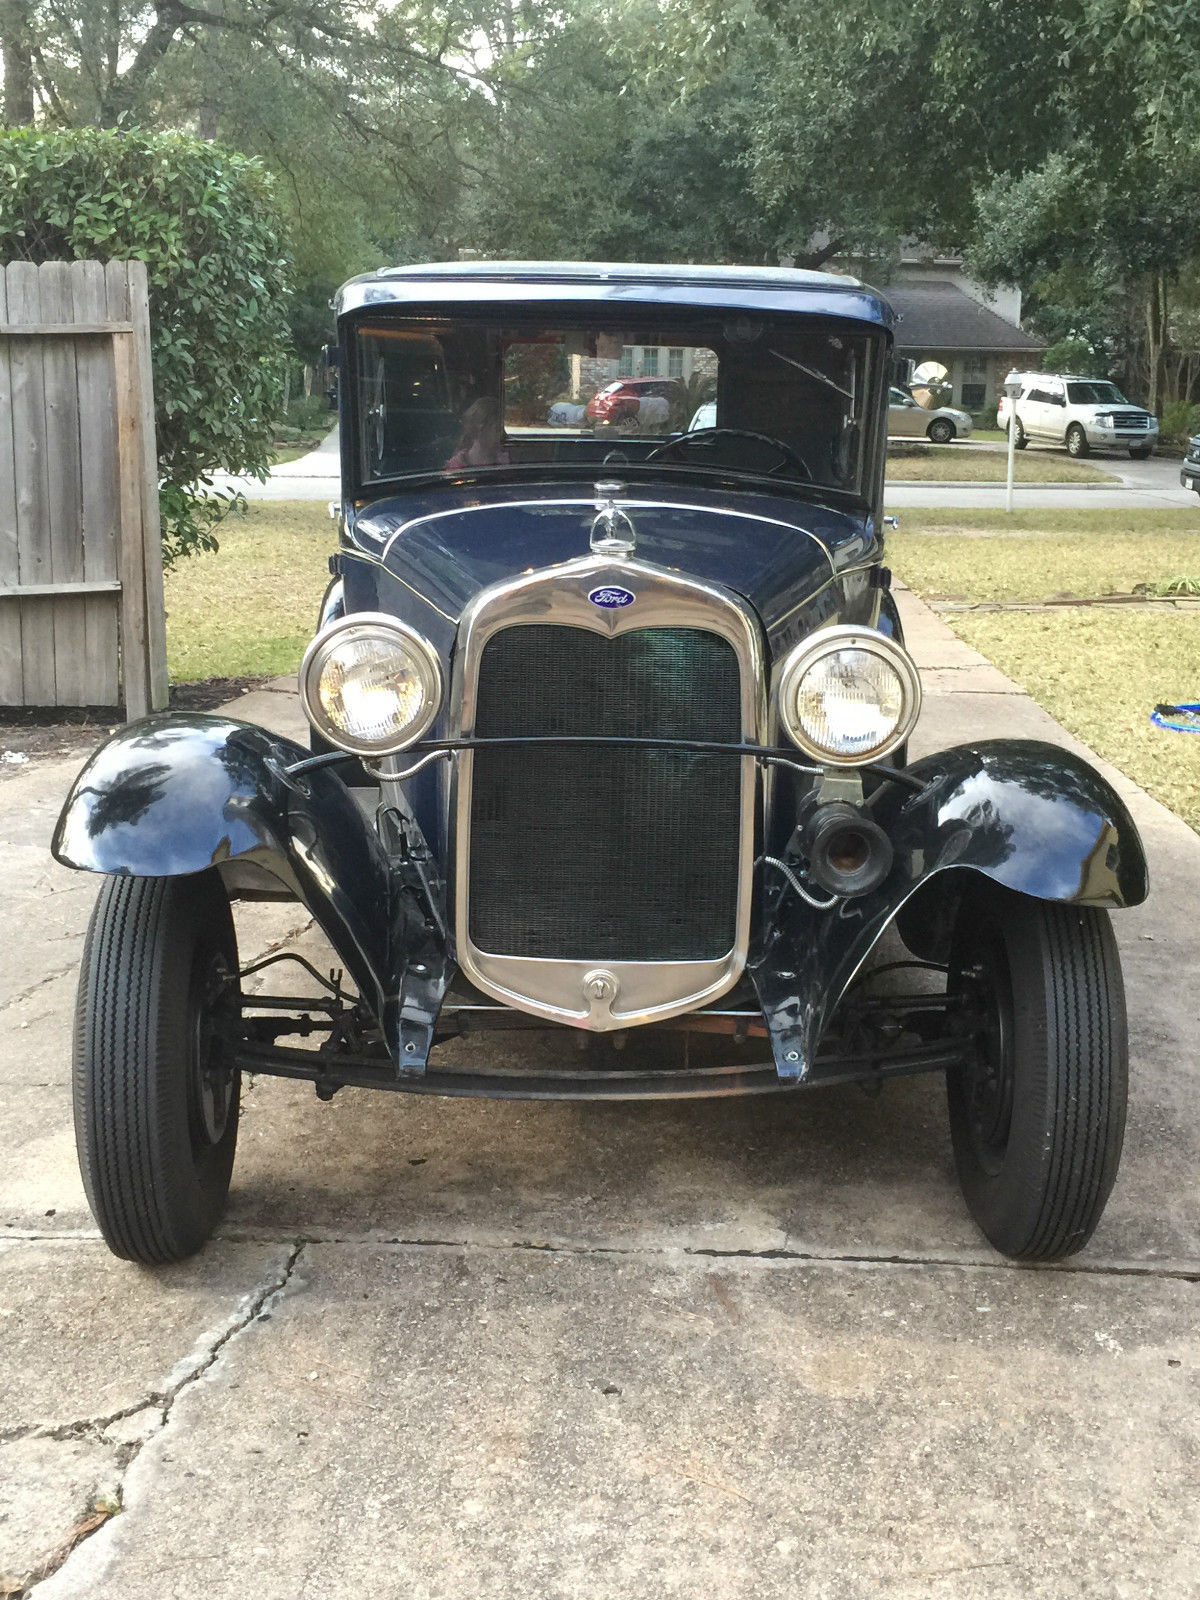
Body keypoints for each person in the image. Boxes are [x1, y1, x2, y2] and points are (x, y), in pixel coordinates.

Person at [446, 396, 509, 470]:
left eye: (502, 429)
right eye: (497, 429)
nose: (502, 434)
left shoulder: (504, 462)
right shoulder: (457, 465)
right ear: (480, 429)